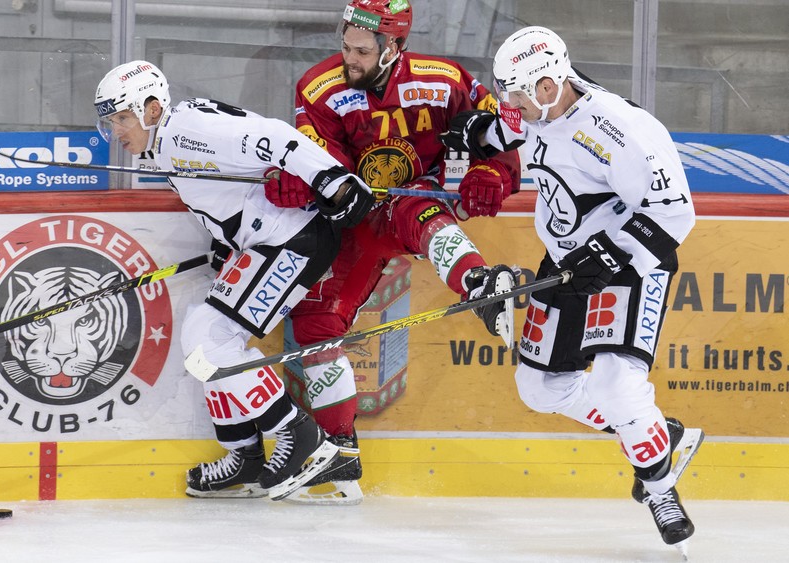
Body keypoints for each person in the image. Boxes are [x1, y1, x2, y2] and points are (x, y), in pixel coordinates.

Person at [440, 26, 704, 552]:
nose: (510, 105)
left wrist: (609, 254)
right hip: (565, 258)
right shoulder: (540, 100)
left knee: (615, 384)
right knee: (539, 388)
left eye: (517, 95)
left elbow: (675, 212)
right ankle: (656, 434)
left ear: (546, 86)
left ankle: (658, 486)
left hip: (630, 263)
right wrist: (478, 136)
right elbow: (511, 128)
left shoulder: (623, 130)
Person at [262, 0, 522, 505]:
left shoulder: (444, 80)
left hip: (411, 202)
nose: (348, 58)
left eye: (361, 50)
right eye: (345, 46)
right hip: (350, 218)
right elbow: (316, 157)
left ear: (393, 47)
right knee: (315, 327)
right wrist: (302, 182)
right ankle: (340, 450)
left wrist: (492, 173)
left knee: (419, 211)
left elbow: (503, 135)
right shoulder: (320, 87)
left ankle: (482, 286)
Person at [93, 60, 376, 501]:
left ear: (151, 109)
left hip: (291, 239)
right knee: (199, 331)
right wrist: (228, 238)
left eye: (123, 118)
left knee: (210, 340)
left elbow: (277, 136)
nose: (118, 131)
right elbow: (233, 188)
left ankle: (300, 438)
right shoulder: (168, 141)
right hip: (265, 241)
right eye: (111, 122)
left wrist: (333, 180)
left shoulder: (185, 130)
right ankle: (245, 455)